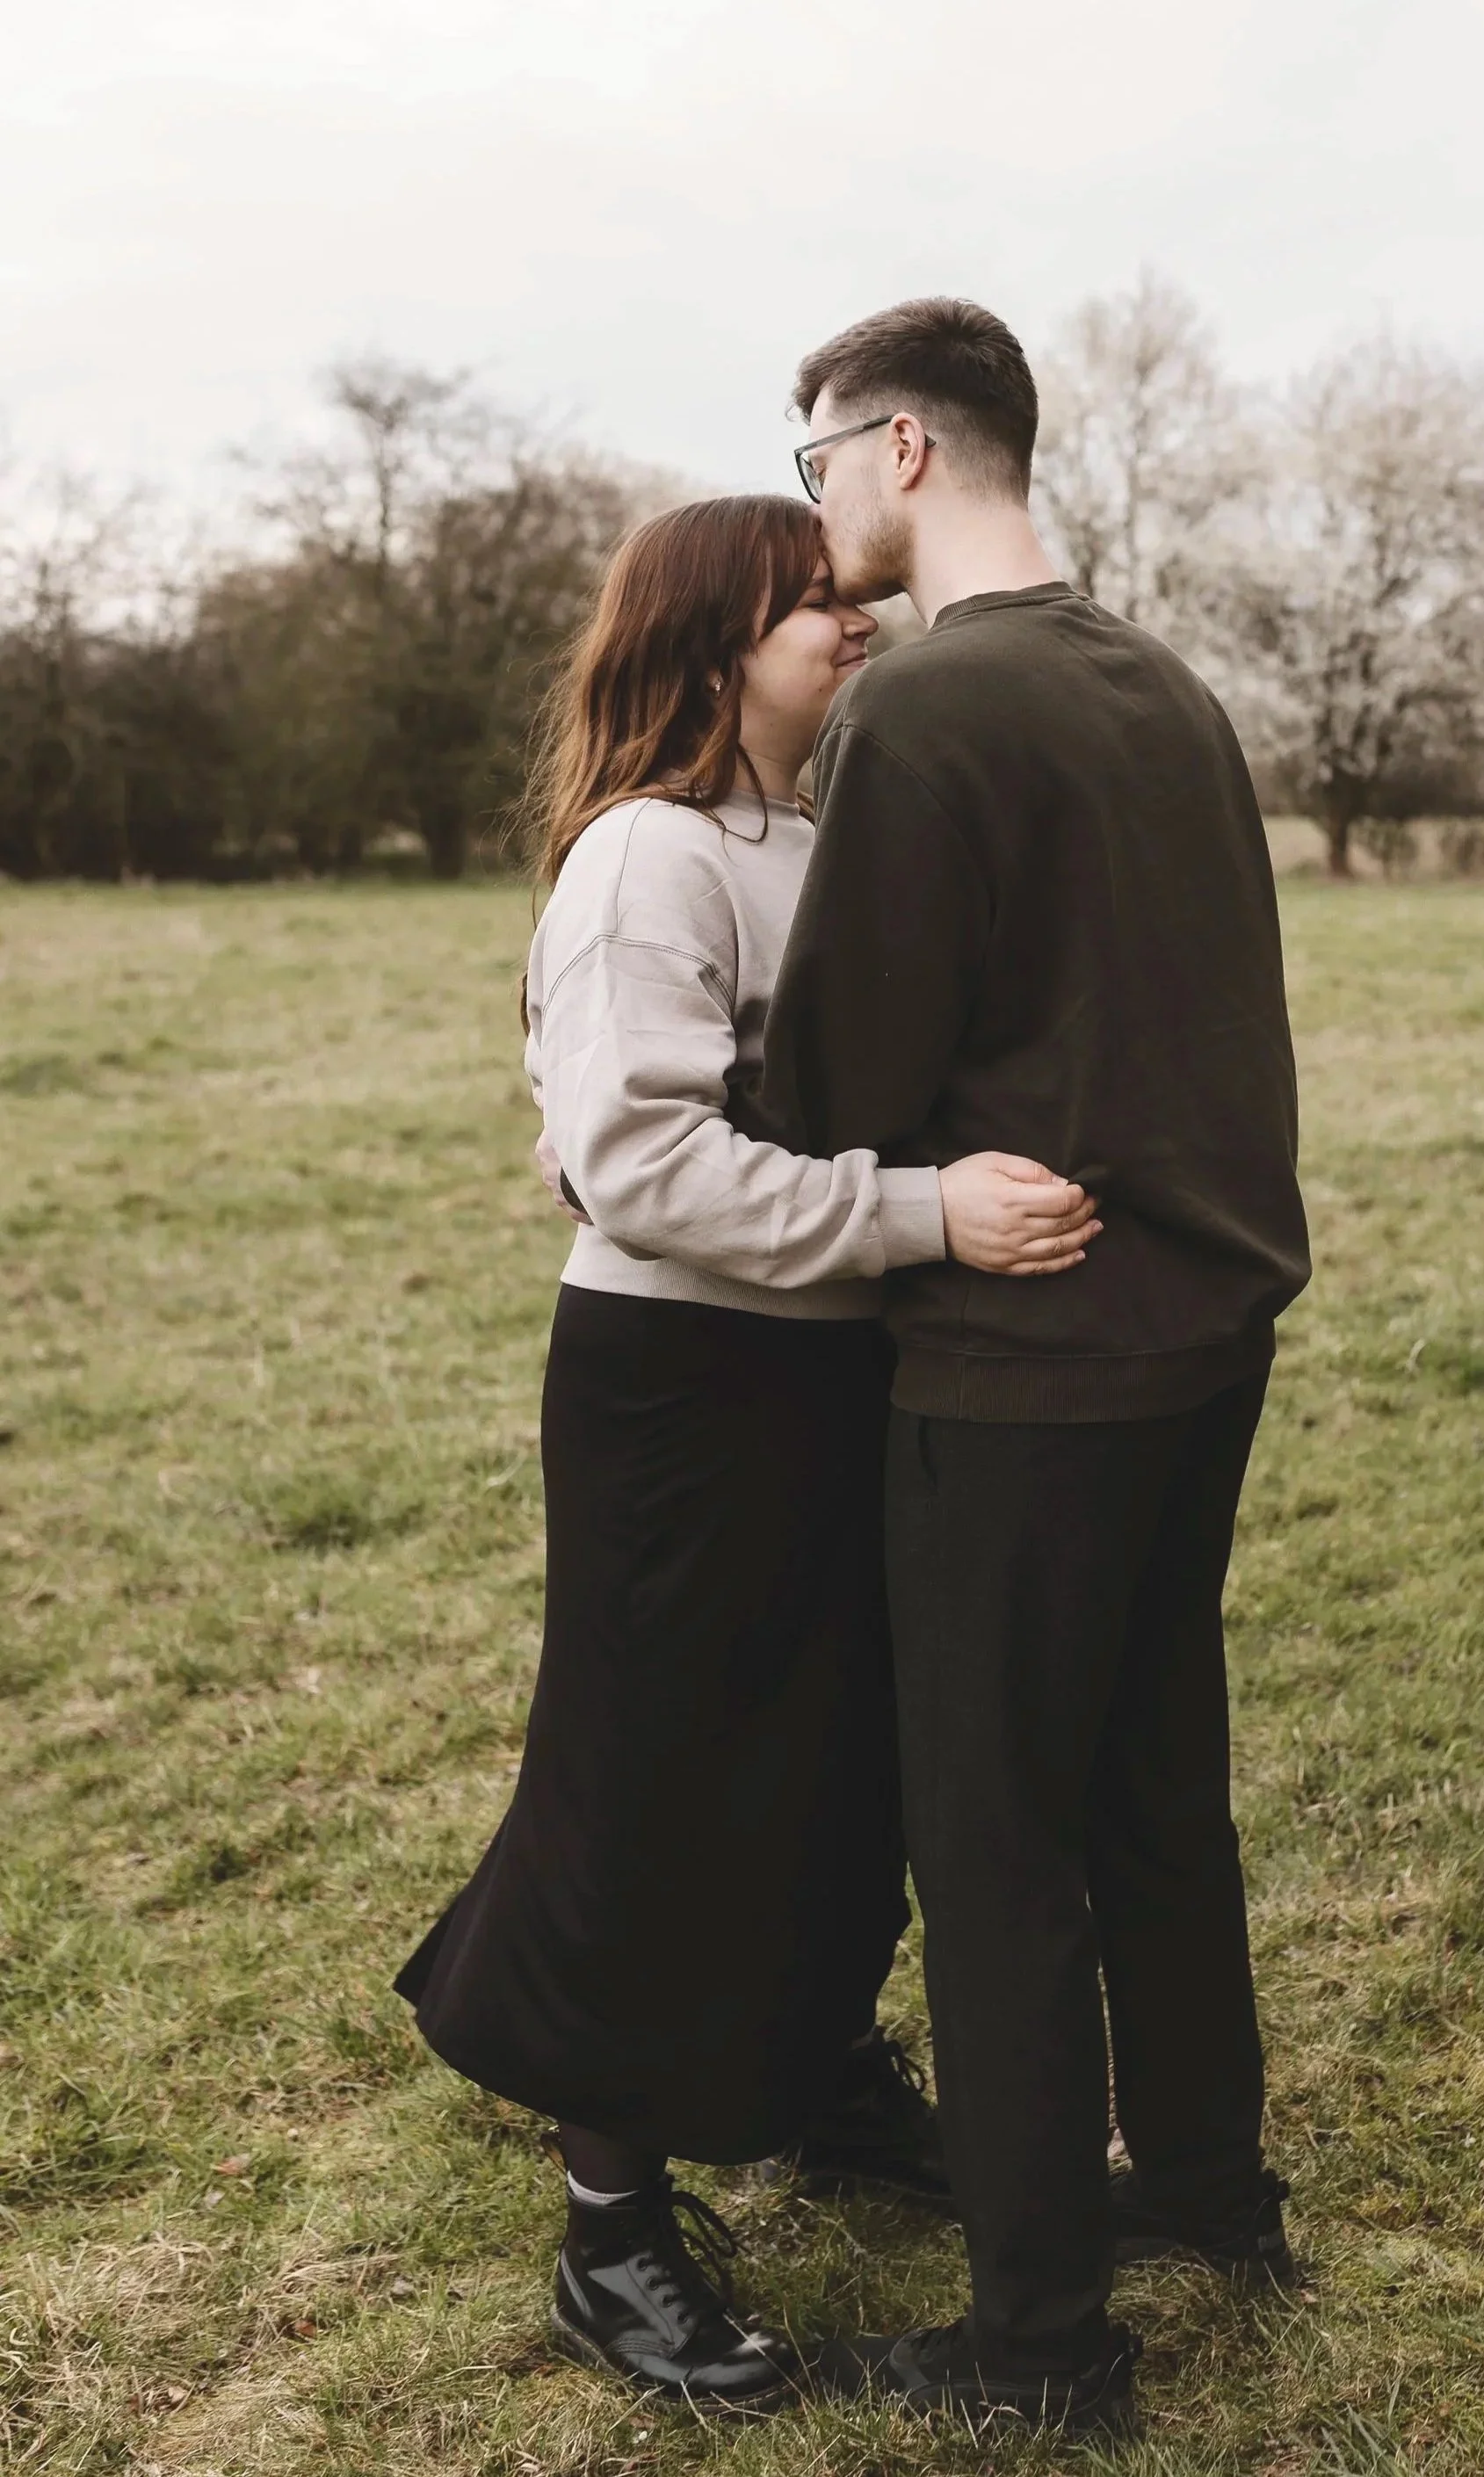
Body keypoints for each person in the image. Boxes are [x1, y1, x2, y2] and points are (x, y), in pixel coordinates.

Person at [395, 494, 1099, 2409]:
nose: (851, 625)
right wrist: (923, 1213)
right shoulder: (647, 857)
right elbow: (638, 1165)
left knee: (837, 1751)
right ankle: (611, 2222)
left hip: (822, 1377)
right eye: (812, 606)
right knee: (664, 1778)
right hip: (681, 1386)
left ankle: (807, 2071)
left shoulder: (802, 835)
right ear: (711, 644)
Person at [743, 301, 1313, 2435]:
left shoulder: (934, 708)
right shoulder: (1153, 679)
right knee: (1159, 1780)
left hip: (1024, 1358)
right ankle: (1206, 2185)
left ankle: (1041, 2345)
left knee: (992, 1839)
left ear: (896, 444)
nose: (814, 503)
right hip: (1205, 1322)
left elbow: (837, 1094)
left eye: (814, 462)